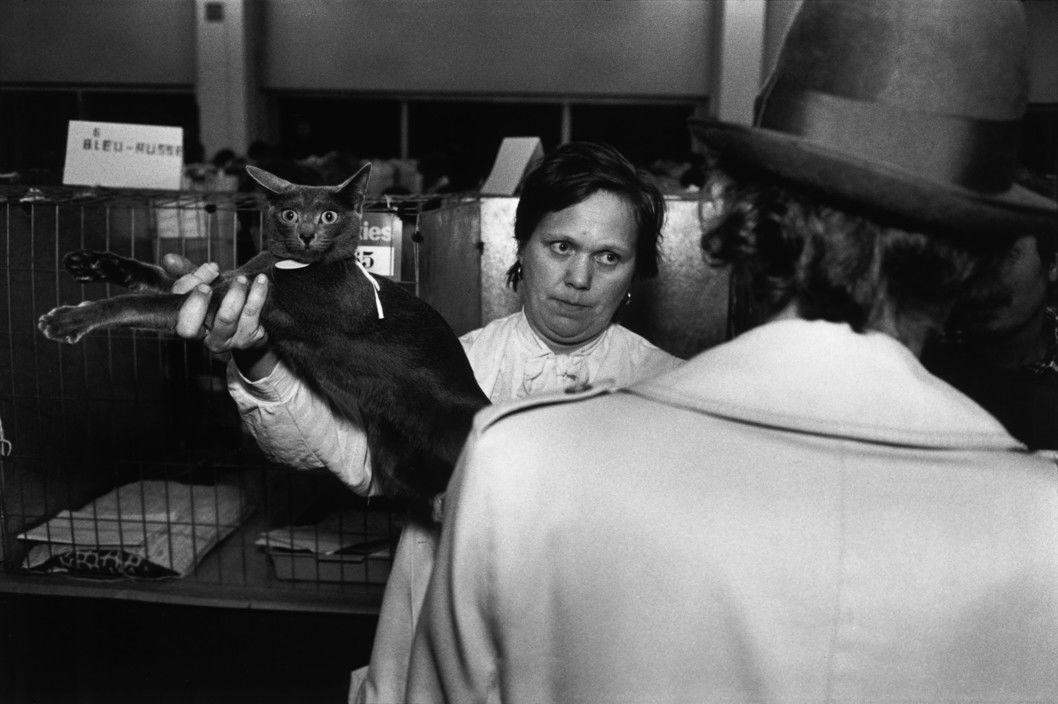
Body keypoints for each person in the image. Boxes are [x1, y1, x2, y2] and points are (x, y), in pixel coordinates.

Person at [405, 1, 1058, 702]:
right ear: (976, 259)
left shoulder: (521, 468)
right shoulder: (1040, 527)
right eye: (561, 246)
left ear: (744, 211)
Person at [169, 141, 683, 703]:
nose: (579, 277)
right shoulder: (445, 360)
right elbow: (337, 452)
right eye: (560, 246)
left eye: (609, 256)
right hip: (432, 675)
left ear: (637, 271)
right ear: (523, 245)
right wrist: (255, 351)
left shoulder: (672, 395)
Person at [924, 231, 1058, 449]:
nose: (986, 277)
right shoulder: (922, 362)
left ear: (1052, 264)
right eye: (971, 255)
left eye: (1008, 255)